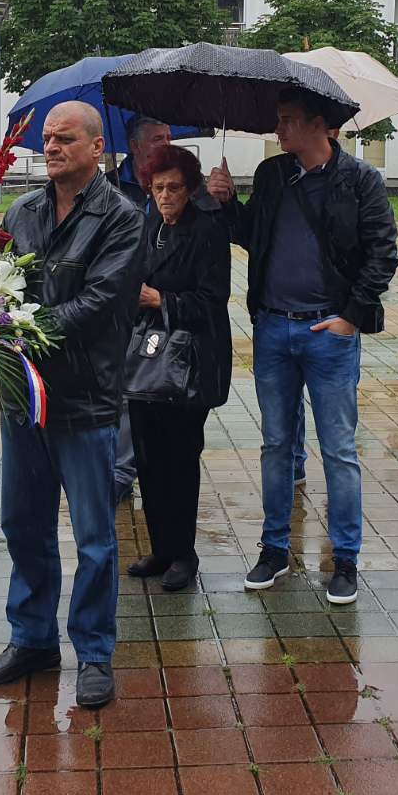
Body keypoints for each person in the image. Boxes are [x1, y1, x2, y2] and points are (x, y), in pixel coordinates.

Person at [0, 101, 144, 709]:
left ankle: (94, 652)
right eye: (47, 139)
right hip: (23, 395)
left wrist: (25, 328)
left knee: (95, 536)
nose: (50, 147)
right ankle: (33, 638)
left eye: (64, 139)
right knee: (23, 522)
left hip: (85, 398)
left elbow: (101, 301)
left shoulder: (122, 218)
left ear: (97, 148)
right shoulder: (21, 212)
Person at [207, 90, 398, 605]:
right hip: (272, 328)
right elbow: (252, 237)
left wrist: (350, 318)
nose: (279, 130)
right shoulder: (273, 176)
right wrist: (228, 205)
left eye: (287, 121)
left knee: (338, 449)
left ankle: (346, 559)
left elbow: (383, 253)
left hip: (328, 334)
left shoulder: (361, 181)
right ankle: (273, 550)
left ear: (320, 125)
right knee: (275, 446)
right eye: (278, 120)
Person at [124, 144, 232, 592]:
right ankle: (161, 547)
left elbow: (214, 300)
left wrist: (159, 300)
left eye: (173, 188)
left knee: (180, 459)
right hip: (147, 360)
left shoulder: (207, 230)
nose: (165, 196)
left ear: (190, 190)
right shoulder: (148, 225)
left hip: (190, 362)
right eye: (157, 188)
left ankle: (184, 554)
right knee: (147, 459)